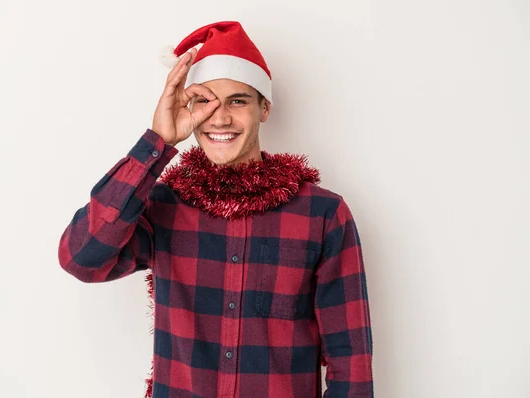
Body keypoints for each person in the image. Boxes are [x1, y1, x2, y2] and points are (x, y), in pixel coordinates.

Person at [58, 20, 373, 398]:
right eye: (204, 102)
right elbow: (81, 257)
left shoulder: (322, 214)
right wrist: (156, 144)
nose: (220, 118)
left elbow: (349, 358)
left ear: (264, 108)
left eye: (237, 101)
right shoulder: (162, 206)